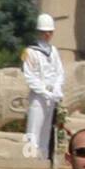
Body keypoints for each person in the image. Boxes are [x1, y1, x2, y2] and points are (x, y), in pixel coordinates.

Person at [23, 13, 65, 161]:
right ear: (38, 32)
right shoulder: (30, 52)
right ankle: (29, 160)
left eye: (49, 32)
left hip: (51, 96)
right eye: (44, 31)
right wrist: (44, 91)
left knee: (46, 132)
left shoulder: (53, 51)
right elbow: (29, 76)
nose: (47, 34)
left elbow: (59, 72)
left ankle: (43, 160)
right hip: (38, 97)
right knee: (33, 130)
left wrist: (57, 89)